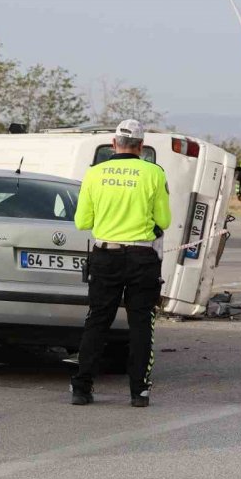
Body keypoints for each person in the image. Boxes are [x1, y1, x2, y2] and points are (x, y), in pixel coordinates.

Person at [70, 119, 171, 407]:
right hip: (142, 257)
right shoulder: (153, 173)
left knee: (97, 320)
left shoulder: (94, 173)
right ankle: (139, 391)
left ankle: (82, 387)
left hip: (105, 255)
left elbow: (82, 222)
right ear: (141, 147)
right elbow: (164, 220)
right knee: (141, 324)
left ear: (114, 144)